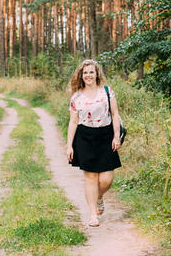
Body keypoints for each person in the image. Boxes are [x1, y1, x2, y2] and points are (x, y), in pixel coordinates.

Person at [66, 59, 122, 227]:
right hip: (85, 137)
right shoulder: (76, 97)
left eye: (91, 72)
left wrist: (116, 136)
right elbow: (73, 122)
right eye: (85, 73)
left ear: (97, 73)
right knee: (90, 177)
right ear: (81, 76)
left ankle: (98, 197)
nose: (88, 75)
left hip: (105, 135)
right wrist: (69, 145)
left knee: (106, 179)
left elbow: (115, 114)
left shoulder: (107, 91)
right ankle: (92, 214)